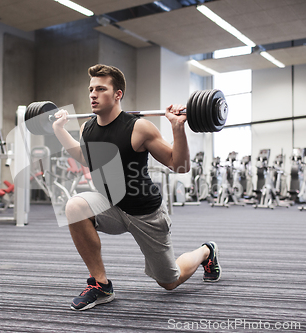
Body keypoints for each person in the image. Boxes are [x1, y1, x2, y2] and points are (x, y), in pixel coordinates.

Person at [52, 64, 221, 311]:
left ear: (118, 94)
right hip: (110, 205)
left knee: (170, 282)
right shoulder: (87, 128)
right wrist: (59, 130)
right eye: (91, 89)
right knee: (75, 206)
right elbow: (86, 158)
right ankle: (101, 285)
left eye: (100, 89)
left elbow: (180, 165)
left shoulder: (139, 127)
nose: (93, 94)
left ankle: (206, 251)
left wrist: (177, 128)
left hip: (145, 213)